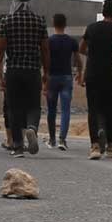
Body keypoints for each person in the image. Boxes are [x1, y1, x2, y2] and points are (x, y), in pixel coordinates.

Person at [0, 0, 48, 156]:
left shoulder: (6, 21)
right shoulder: (39, 21)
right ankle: (31, 127)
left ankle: (17, 145)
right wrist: (47, 72)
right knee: (33, 106)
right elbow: (45, 50)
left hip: (14, 70)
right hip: (33, 71)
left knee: (14, 107)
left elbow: (0, 49)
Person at [81, 0, 112, 160]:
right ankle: (111, 146)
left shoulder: (91, 28)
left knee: (93, 109)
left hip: (93, 74)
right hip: (110, 76)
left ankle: (94, 146)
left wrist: (92, 55)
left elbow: (82, 47)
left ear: (103, 12)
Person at [46, 13, 79, 149]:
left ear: (53, 24)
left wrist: (44, 76)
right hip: (66, 77)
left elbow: (45, 59)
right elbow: (77, 59)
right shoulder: (71, 41)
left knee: (51, 110)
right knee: (65, 110)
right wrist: (80, 72)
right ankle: (62, 140)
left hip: (52, 77)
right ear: (65, 24)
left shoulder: (49, 41)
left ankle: (52, 139)